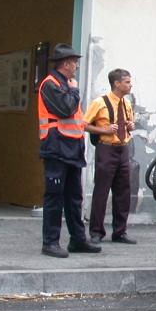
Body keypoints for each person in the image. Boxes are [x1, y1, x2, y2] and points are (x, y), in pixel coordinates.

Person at [38, 43, 101, 258]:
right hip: (56, 146)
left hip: (72, 147)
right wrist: (74, 90)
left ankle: (78, 239)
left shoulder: (65, 82)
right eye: (74, 62)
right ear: (65, 63)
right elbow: (65, 109)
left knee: (74, 197)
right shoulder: (50, 84)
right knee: (54, 196)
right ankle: (50, 242)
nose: (76, 66)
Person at [84, 68, 137, 244]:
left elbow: (131, 124)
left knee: (123, 192)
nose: (130, 85)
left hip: (123, 148)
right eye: (127, 82)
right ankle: (96, 232)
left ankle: (120, 232)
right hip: (106, 149)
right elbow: (84, 125)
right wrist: (103, 130)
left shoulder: (126, 103)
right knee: (101, 191)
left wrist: (130, 126)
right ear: (117, 83)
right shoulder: (100, 102)